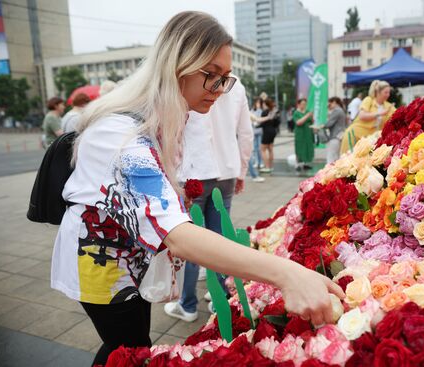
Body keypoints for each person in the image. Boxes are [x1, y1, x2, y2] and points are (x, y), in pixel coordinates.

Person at [51, 12, 342, 366]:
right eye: (211, 76)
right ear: (178, 64)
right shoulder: (119, 136)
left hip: (133, 256)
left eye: (225, 79)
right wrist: (288, 273)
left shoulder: (171, 116)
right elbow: (178, 235)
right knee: (127, 348)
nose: (220, 91)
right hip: (103, 262)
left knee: (130, 344)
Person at [164, 76, 254, 322]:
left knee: (192, 240)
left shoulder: (188, 80)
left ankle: (188, 304)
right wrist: (242, 170)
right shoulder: (238, 86)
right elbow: (246, 134)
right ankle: (219, 298)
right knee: (220, 236)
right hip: (226, 170)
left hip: (193, 172)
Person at [340, 80, 395, 154]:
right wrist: (379, 113)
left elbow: (397, 116)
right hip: (355, 135)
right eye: (386, 92)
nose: (388, 95)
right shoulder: (368, 100)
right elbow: (362, 116)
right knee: (347, 159)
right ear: (378, 92)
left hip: (370, 139)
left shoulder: (388, 106)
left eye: (389, 92)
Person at [315, 97, 346, 164]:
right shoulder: (341, 110)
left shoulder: (337, 111)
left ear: (334, 102)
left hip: (335, 136)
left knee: (331, 158)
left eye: (330, 104)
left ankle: (328, 173)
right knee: (336, 157)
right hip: (339, 136)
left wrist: (320, 126)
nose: (329, 106)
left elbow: (329, 123)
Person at [257, 98, 279, 173]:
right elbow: (277, 123)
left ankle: (267, 167)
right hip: (273, 131)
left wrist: (257, 125)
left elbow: (261, 122)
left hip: (267, 132)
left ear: (265, 104)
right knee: (270, 149)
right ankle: (271, 166)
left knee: (262, 149)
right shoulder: (274, 112)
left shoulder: (265, 112)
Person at [292, 99, 314, 171]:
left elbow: (312, 121)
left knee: (307, 148)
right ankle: (298, 164)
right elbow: (298, 122)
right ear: (298, 104)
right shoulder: (296, 113)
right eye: (302, 104)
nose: (304, 105)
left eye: (305, 104)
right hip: (300, 133)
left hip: (308, 133)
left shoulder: (307, 111)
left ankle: (306, 163)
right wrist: (307, 116)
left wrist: (312, 117)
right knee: (299, 148)